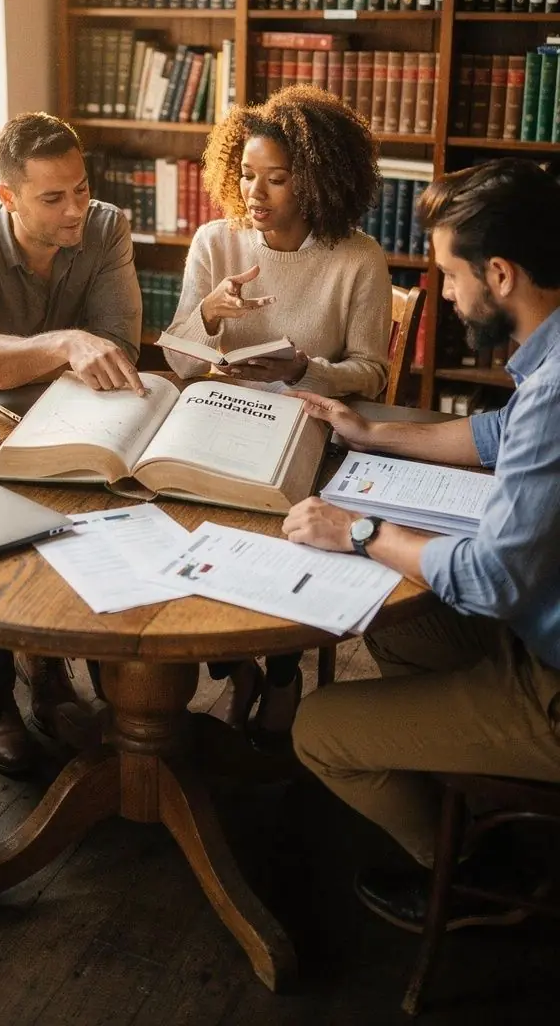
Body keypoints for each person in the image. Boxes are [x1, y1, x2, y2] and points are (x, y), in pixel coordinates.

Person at [285, 158, 560, 931]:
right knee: (395, 626)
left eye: (450, 276)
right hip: (537, 634)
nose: (446, 294)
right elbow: (497, 435)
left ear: (499, 274)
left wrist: (361, 530)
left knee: (317, 730)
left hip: (552, 686)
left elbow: (494, 578)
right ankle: (462, 788)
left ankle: (471, 872)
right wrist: (373, 433)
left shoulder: (557, 391)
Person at [162, 86, 391, 746]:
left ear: (317, 180)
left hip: (310, 427)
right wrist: (207, 317)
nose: (254, 193)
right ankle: (234, 665)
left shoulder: (357, 258)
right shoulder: (215, 242)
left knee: (281, 525)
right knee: (174, 515)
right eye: (245, 174)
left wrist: (302, 371)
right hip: (221, 418)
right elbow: (179, 364)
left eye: (277, 179)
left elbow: (370, 374)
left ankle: (284, 672)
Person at [0, 112, 143, 775]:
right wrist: (68, 345)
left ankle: (48, 669)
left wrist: (7, 365)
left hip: (63, 413)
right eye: (53, 197)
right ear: (8, 197)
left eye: (81, 188)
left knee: (116, 502)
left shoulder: (106, 226)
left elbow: (119, 348)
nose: (76, 209)